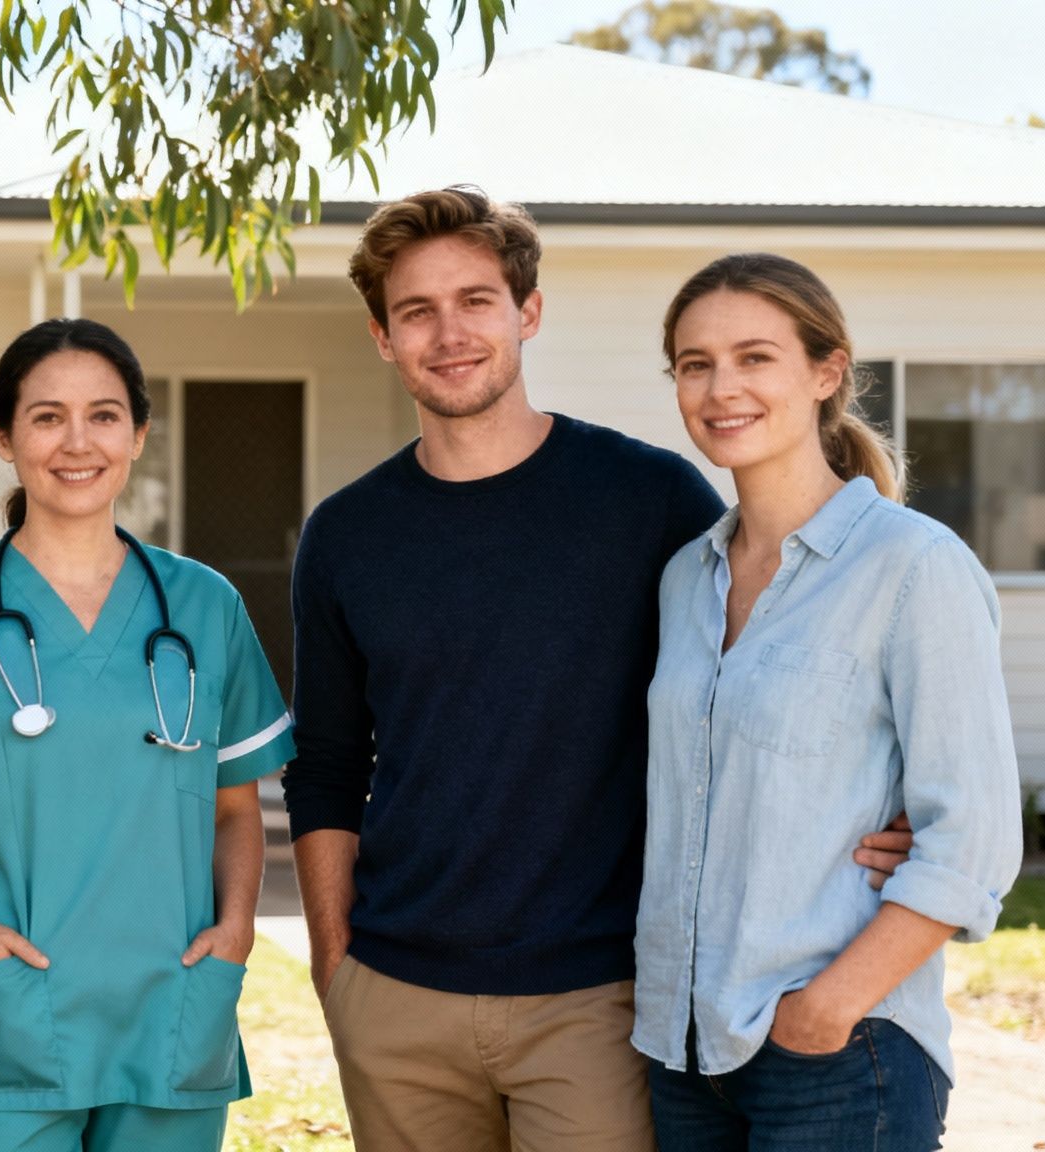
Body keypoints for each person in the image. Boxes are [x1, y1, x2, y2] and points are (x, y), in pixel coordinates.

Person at [282, 188, 915, 1152]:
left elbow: (756, 683)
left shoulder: (650, 499)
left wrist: (887, 801)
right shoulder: (345, 534)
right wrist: (338, 969)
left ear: (527, 313)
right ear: (382, 336)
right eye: (417, 310)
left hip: (599, 999)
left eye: (477, 300)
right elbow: (326, 766)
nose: (449, 333)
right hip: (397, 1000)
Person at [0, 319, 294, 1152]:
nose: (77, 442)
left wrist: (238, 927)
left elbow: (235, 807)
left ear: (140, 433)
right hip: (4, 1020)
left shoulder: (206, 607)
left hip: (172, 1007)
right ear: (3, 437)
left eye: (104, 415)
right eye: (46, 417)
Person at [633, 252, 1023, 1150]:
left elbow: (974, 836)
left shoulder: (914, 567)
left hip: (841, 1059)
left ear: (826, 371)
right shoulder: (685, 581)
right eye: (696, 364)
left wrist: (827, 1010)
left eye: (754, 357)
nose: (721, 387)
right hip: (685, 1056)